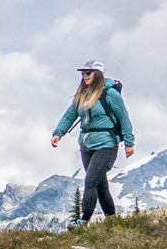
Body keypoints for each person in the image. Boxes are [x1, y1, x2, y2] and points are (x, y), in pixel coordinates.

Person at [50, 60, 134, 225]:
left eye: (88, 72)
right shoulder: (82, 94)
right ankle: (112, 219)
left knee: (90, 180)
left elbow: (123, 117)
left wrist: (129, 142)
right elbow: (70, 116)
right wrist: (58, 133)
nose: (85, 76)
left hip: (107, 144)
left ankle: (83, 221)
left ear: (98, 74)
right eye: (83, 73)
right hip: (86, 145)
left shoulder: (110, 94)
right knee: (100, 183)